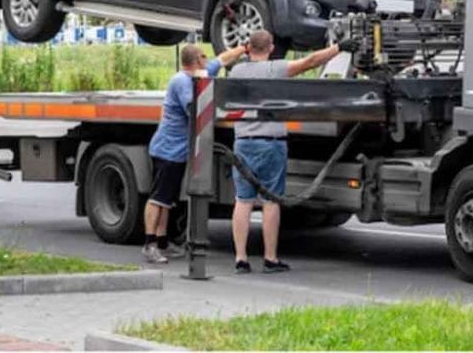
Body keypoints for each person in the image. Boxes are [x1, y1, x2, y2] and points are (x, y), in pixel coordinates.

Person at [228, 29, 356, 274]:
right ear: (271, 47)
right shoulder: (276, 69)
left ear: (249, 48)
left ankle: (241, 258)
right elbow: (310, 61)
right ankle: (270, 258)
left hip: (243, 142)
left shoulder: (237, 71)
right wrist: (339, 48)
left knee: (243, 201)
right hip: (271, 143)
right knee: (271, 202)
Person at [141, 42, 247, 264]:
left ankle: (162, 243)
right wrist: (228, 113)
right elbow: (196, 110)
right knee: (158, 198)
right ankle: (149, 244)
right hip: (167, 150)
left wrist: (243, 48)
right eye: (204, 56)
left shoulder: (198, 75)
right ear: (196, 60)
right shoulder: (182, 82)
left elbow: (223, 59)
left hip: (177, 152)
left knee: (167, 200)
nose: (208, 59)